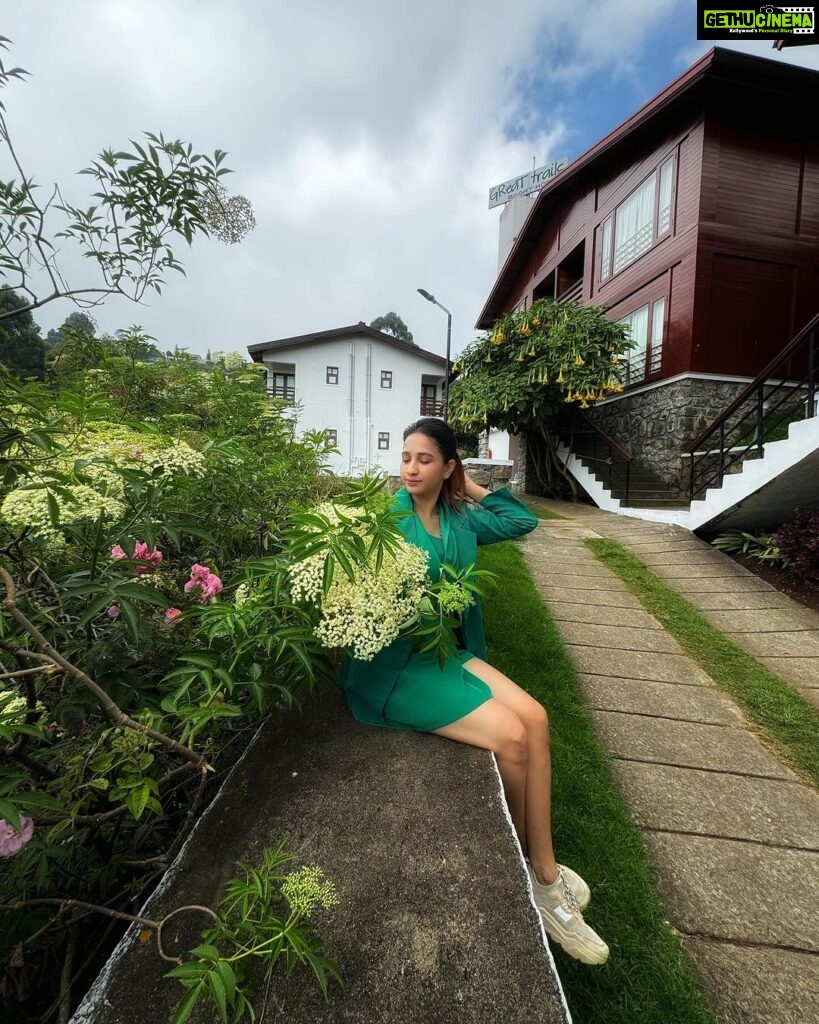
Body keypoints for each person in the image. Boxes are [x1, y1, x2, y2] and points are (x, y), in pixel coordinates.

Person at [339, 417, 608, 965]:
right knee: (511, 737)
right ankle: (531, 874)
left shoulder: (459, 518)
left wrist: (472, 488)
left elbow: (521, 520)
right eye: (406, 457)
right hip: (398, 668)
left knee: (537, 718)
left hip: (446, 654)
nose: (410, 469)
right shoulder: (385, 524)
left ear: (448, 468)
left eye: (425, 460)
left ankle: (544, 870)